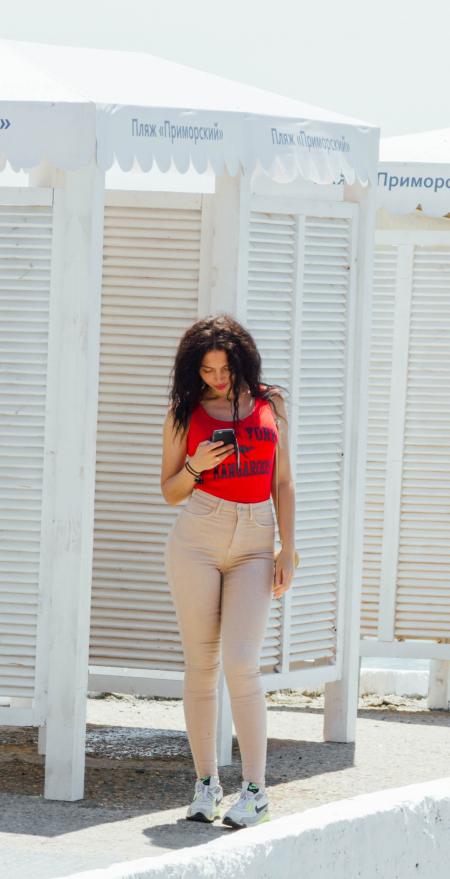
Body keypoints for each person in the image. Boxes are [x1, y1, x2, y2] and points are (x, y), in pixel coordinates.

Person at [160, 313, 296, 829]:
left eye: (225, 368)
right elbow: (170, 490)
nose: (217, 379)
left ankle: (257, 791)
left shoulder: (270, 404)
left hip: (256, 541)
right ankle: (205, 784)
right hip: (197, 535)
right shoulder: (184, 412)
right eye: (207, 370)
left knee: (242, 663)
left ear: (242, 361)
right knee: (201, 664)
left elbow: (283, 482)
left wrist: (289, 547)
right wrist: (195, 464)